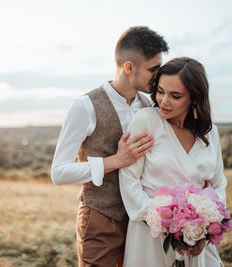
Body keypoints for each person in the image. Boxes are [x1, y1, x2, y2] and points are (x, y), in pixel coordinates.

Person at [51, 26, 168, 267]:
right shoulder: (85, 106)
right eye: (153, 70)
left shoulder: (150, 107)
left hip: (142, 224)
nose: (158, 77)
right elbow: (58, 173)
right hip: (100, 220)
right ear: (129, 67)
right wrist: (115, 161)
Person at [119, 57, 227, 267]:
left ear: (194, 98)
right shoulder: (146, 120)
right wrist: (168, 224)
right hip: (150, 233)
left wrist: (204, 229)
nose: (164, 101)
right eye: (160, 91)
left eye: (175, 96)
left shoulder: (210, 132)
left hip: (196, 237)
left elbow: (218, 183)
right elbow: (129, 180)